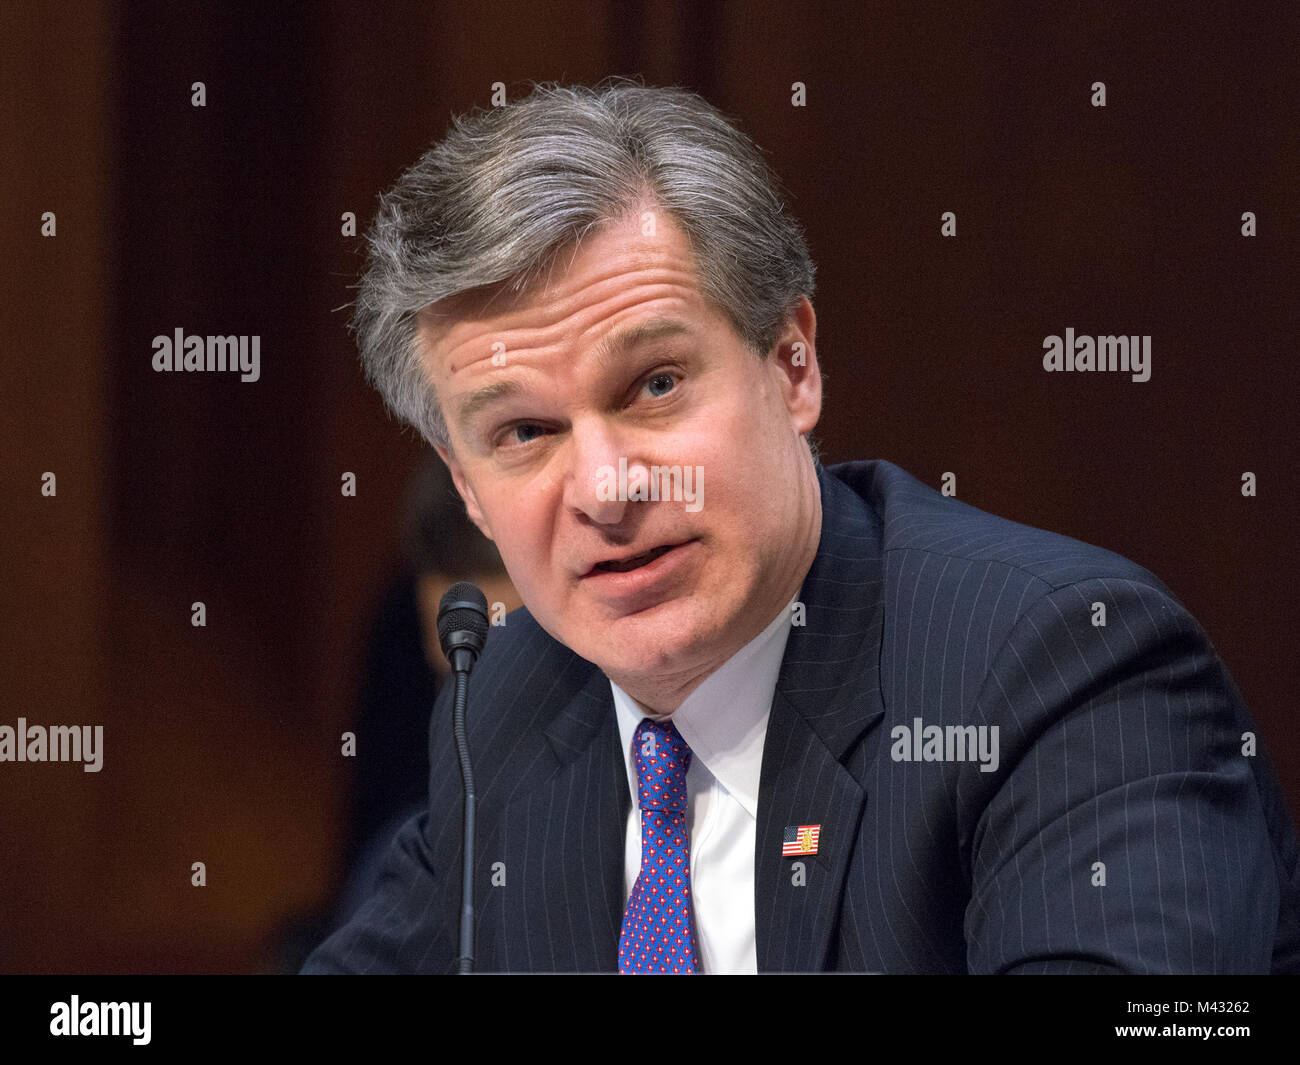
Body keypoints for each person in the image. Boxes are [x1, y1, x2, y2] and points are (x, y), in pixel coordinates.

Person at [302, 79, 1300, 973]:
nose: (606, 490)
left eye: (654, 385)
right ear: (466, 489)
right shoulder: (516, 703)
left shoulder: (1058, 671)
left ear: (792, 365)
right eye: (523, 431)